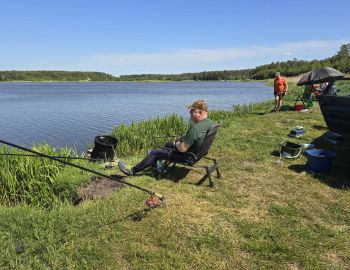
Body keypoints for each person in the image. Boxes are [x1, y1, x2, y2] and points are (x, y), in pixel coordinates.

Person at [118, 99, 213, 176]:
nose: (190, 114)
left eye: (191, 111)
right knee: (168, 144)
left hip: (188, 157)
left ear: (199, 112)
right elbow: (196, 136)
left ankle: (132, 171)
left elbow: (183, 149)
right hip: (197, 152)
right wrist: (183, 137)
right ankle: (156, 162)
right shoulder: (208, 122)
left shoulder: (196, 128)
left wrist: (177, 144)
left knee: (155, 153)